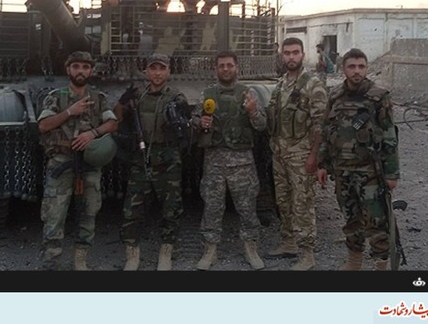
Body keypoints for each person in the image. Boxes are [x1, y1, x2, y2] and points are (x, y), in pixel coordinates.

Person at [317, 48, 400, 270]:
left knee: (376, 221)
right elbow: (326, 131)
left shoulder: (378, 97)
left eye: (361, 66)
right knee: (351, 218)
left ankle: (381, 266)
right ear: (343, 69)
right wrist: (322, 164)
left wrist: (392, 173)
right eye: (352, 66)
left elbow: (390, 136)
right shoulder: (335, 95)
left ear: (366, 68)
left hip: (370, 171)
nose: (357, 71)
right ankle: (354, 262)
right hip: (342, 171)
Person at [37, 51, 118, 270]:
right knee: (55, 212)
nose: (80, 71)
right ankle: (51, 261)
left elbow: (112, 123)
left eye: (85, 67)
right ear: (68, 69)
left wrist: (93, 133)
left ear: (91, 71)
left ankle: (80, 260)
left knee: (89, 211)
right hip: (61, 160)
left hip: (88, 162)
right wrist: (70, 112)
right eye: (76, 67)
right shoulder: (56, 96)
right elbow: (43, 125)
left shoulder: (98, 98)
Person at [190, 51, 267, 270]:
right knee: (212, 207)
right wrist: (200, 123)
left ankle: (250, 247)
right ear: (216, 69)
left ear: (236, 68)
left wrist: (252, 112)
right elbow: (194, 120)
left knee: (247, 207)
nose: (225, 69)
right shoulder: (207, 94)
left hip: (242, 162)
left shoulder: (248, 94)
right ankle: (210, 249)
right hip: (214, 161)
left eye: (229, 65)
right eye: (221, 65)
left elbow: (262, 125)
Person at [114, 53, 191, 271]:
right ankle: (132, 253)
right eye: (153, 68)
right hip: (142, 157)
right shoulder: (138, 96)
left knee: (171, 208)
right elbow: (117, 118)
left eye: (162, 68)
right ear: (146, 71)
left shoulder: (176, 97)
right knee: (132, 208)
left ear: (168, 72)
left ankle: (167, 250)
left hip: (168, 158)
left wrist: (181, 117)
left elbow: (187, 128)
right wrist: (122, 102)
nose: (157, 73)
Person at [266, 37, 328, 270]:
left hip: (301, 155)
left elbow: (320, 126)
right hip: (280, 154)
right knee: (283, 201)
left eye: (295, 52)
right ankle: (289, 242)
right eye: (287, 53)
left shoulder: (313, 85)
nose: (291, 57)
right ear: (282, 56)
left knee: (303, 203)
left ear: (302, 54)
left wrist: (314, 157)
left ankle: (307, 253)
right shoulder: (281, 84)